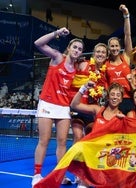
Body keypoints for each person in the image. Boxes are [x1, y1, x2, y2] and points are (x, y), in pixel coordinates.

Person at [32, 27, 84, 187]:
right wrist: (56, 33)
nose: (77, 50)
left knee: (62, 143)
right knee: (44, 140)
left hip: (63, 108)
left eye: (80, 49)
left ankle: (61, 175)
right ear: (69, 48)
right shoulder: (57, 57)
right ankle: (37, 175)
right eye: (74, 47)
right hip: (47, 103)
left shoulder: (76, 69)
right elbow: (38, 43)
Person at [70, 82, 125, 188]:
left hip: (109, 156)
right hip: (93, 153)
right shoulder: (98, 110)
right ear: (108, 97)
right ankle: (83, 178)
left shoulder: (122, 117)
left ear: (121, 99)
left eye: (118, 95)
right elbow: (74, 105)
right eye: (112, 94)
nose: (115, 97)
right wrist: (84, 87)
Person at [69, 43, 108, 144]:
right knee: (78, 136)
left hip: (91, 111)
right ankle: (73, 160)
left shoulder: (104, 72)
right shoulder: (84, 64)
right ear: (93, 54)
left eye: (103, 52)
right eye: (98, 52)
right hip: (77, 107)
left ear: (107, 56)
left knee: (91, 137)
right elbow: (69, 69)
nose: (100, 54)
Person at [105, 4, 133, 115]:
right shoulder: (105, 63)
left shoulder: (126, 57)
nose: (114, 48)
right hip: (113, 100)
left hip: (128, 99)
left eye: (116, 46)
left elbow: (127, 35)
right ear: (108, 48)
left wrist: (126, 16)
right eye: (112, 46)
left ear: (120, 47)